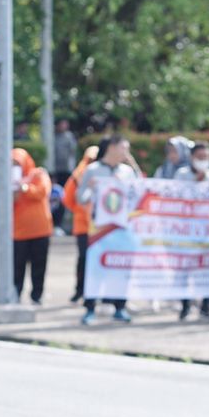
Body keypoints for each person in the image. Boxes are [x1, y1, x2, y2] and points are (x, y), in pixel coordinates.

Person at [78, 135, 138, 324]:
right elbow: (81, 198)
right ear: (111, 147)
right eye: (123, 148)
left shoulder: (127, 172)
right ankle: (89, 308)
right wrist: (91, 188)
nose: (125, 153)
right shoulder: (93, 170)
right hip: (99, 227)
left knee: (121, 267)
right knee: (95, 268)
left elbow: (138, 195)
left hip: (121, 227)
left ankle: (120, 307)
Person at [178, 141, 209, 322]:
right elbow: (174, 196)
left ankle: (206, 307)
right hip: (187, 231)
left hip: (208, 232)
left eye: (206, 157)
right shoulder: (181, 175)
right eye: (200, 157)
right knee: (186, 270)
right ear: (192, 157)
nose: (203, 161)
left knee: (207, 269)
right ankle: (186, 307)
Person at [10, 148, 53, 305]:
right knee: (17, 267)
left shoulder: (38, 174)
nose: (15, 166)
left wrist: (24, 188)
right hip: (18, 232)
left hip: (40, 229)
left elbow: (42, 192)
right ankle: (15, 294)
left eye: (18, 163)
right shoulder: (6, 178)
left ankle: (37, 295)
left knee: (39, 265)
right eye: (12, 163)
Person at [61, 145, 99, 302]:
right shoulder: (78, 176)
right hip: (83, 226)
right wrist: (79, 210)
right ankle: (80, 290)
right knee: (83, 259)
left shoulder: (106, 175)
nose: (92, 163)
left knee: (99, 259)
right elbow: (67, 198)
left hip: (100, 227)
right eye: (90, 159)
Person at [50, 119, 79, 186]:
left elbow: (73, 150)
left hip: (67, 167)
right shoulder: (53, 136)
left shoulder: (69, 136)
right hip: (56, 167)